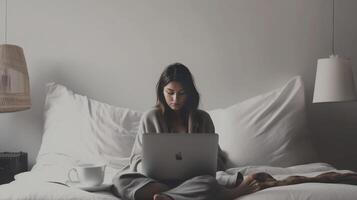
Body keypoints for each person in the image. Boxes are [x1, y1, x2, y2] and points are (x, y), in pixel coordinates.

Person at [112, 63, 357, 200]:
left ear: (190, 93)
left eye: (181, 93)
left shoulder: (202, 119)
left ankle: (176, 198)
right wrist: (145, 166)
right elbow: (136, 159)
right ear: (162, 92)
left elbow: (215, 161)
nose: (175, 98)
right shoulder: (151, 117)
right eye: (170, 93)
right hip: (157, 182)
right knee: (120, 180)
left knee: (207, 182)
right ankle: (180, 197)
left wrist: (209, 165)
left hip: (193, 180)